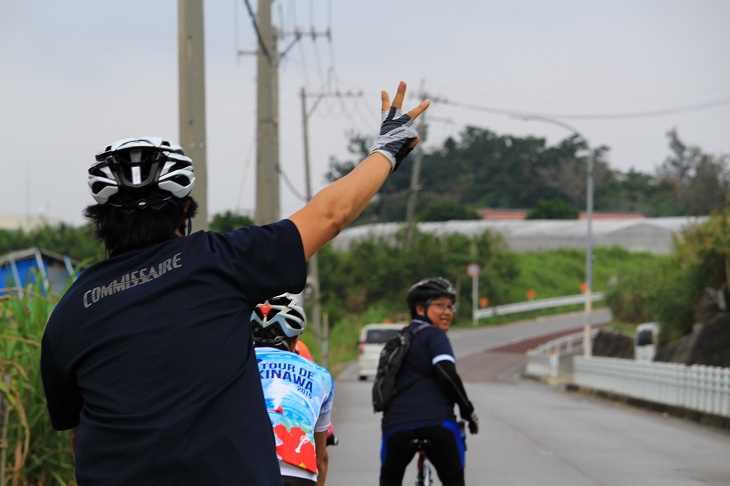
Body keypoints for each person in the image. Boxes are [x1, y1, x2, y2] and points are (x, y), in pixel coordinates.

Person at [40, 81, 429, 485]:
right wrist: (389, 148)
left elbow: (78, 432)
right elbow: (330, 215)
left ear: (101, 222)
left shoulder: (70, 311)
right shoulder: (218, 261)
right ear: (184, 215)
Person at [379, 277, 479, 486]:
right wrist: (467, 409)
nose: (448, 312)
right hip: (437, 423)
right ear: (420, 309)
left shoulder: (396, 341)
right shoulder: (435, 335)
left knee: (389, 479)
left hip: (396, 426)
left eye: (450, 306)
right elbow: (447, 373)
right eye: (440, 305)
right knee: (454, 480)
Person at [251, 293, 334, 486]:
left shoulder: (234, 366)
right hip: (296, 473)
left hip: (246, 465)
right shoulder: (321, 375)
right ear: (296, 341)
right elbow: (319, 458)